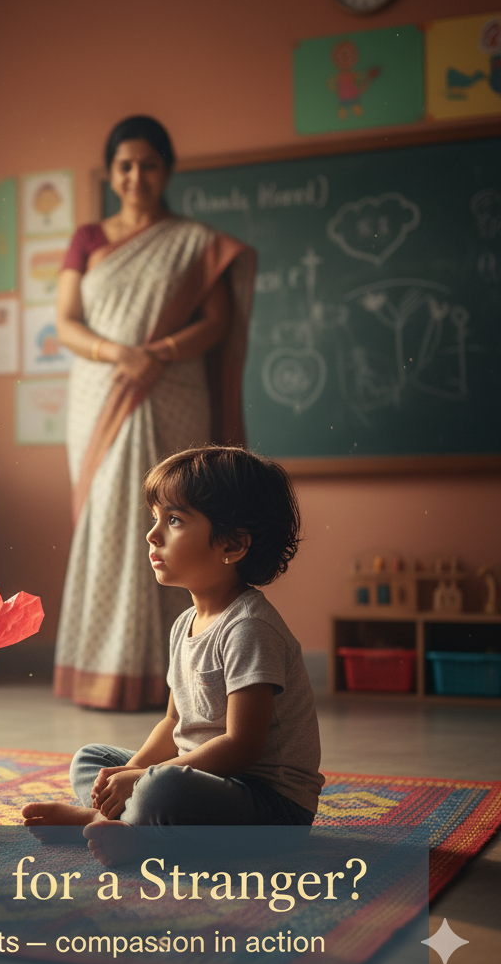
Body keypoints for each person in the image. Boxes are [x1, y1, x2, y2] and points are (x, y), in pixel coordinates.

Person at [26, 446, 323, 865]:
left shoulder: (249, 628)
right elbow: (174, 722)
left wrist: (143, 779)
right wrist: (128, 774)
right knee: (93, 760)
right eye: (156, 518)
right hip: (197, 777)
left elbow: (243, 746)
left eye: (175, 520)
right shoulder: (185, 623)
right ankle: (116, 818)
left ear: (233, 544)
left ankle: (132, 835)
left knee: (160, 789)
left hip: (268, 810)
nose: (153, 534)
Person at [53, 115, 256, 711]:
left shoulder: (194, 242)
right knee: (113, 521)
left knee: (178, 514)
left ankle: (184, 678)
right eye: (125, 165)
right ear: (110, 174)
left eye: (148, 164)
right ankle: (104, 671)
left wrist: (156, 354)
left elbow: (215, 324)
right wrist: (121, 353)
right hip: (103, 388)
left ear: (167, 170)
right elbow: (66, 322)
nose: (136, 175)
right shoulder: (88, 238)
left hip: (172, 390)